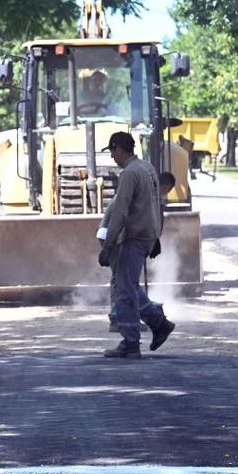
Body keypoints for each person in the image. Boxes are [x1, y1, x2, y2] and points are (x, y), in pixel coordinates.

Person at [96, 132, 174, 358]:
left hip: (133, 238)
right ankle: (159, 324)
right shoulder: (147, 168)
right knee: (128, 285)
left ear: (119, 149)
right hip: (145, 236)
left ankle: (130, 343)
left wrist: (108, 246)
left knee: (124, 290)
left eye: (112, 151)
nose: (112, 157)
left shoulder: (130, 173)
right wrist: (155, 235)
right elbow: (154, 204)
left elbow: (121, 211)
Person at [106, 171, 175, 333]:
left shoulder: (148, 196)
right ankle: (121, 318)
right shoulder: (144, 197)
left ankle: (126, 319)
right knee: (124, 282)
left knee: (125, 281)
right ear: (164, 186)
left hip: (124, 239)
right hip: (119, 238)